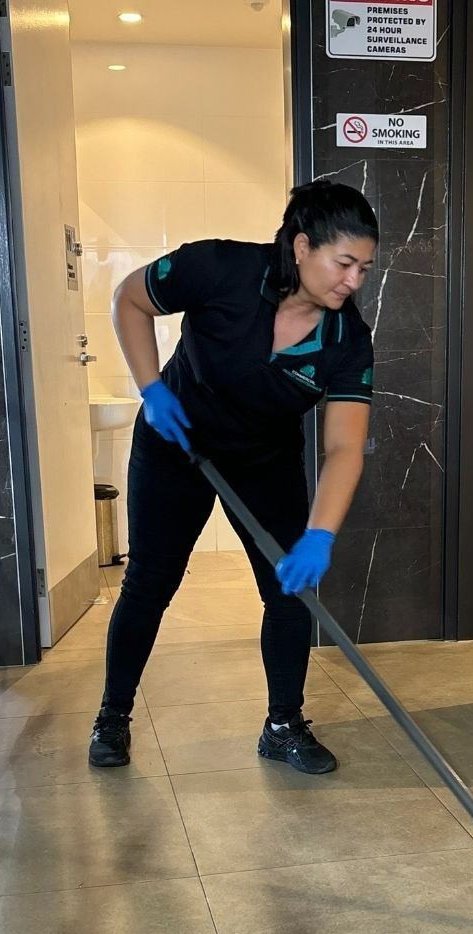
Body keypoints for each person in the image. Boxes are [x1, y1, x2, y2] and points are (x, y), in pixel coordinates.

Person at [89, 179, 378, 775]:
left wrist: (319, 535)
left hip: (262, 461)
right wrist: (150, 390)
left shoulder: (347, 338)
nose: (353, 282)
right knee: (150, 581)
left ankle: (282, 725)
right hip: (176, 444)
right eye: (344, 263)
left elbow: (346, 446)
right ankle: (112, 717)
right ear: (302, 247)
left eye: (364, 269)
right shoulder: (219, 267)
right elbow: (129, 300)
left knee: (289, 593)